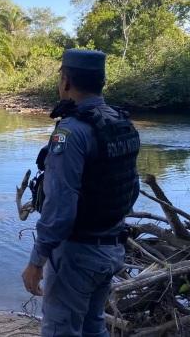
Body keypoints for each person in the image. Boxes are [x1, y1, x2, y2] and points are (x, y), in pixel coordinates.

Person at [21, 49, 140, 336]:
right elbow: (131, 189)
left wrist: (36, 261)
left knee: (61, 330)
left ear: (66, 81)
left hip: (77, 254)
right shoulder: (120, 123)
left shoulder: (71, 132)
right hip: (111, 247)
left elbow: (61, 208)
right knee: (93, 325)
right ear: (102, 81)